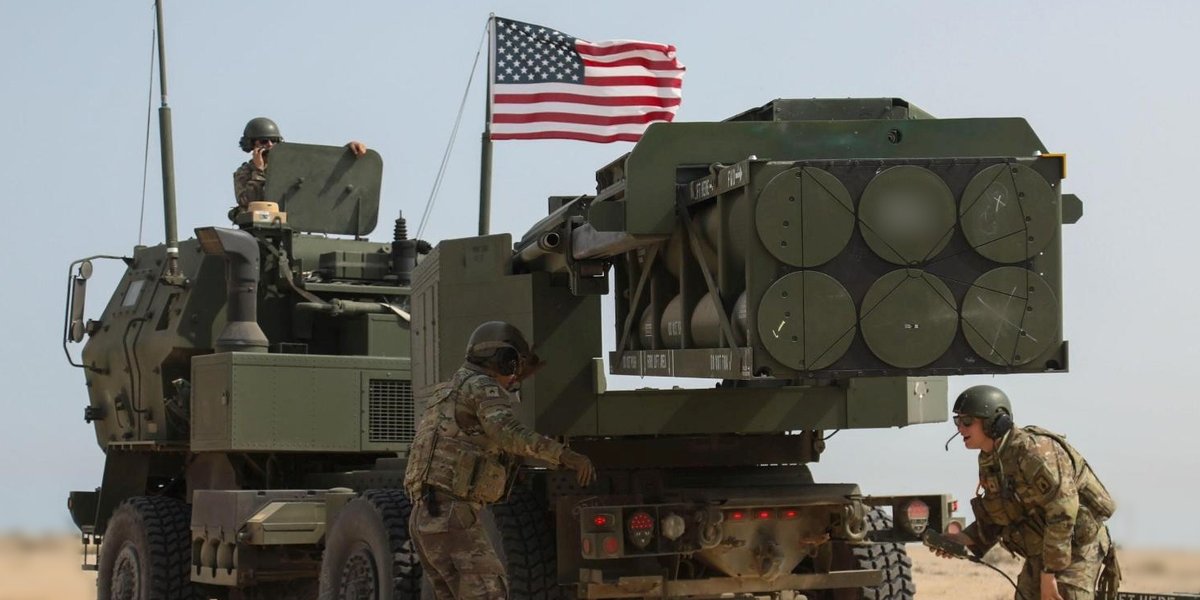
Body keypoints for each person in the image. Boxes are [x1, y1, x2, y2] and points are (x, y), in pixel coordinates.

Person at [403, 321, 596, 599]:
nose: (515, 378)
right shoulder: (483, 386)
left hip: (426, 516)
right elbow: (507, 432)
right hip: (452, 516)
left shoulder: (450, 389)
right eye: (515, 367)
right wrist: (564, 455)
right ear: (503, 362)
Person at [936, 385, 1120, 600]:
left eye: (967, 422)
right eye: (958, 421)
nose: (960, 429)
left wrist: (1049, 574)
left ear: (994, 423)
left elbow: (1062, 512)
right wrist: (961, 539)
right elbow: (999, 516)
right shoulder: (991, 459)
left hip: (1076, 548)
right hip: (1044, 552)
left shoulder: (1035, 453)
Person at [230, 117, 367, 219]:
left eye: (275, 141)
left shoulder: (289, 167)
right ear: (252, 144)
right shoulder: (245, 173)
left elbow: (320, 173)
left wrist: (347, 150)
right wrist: (259, 171)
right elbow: (248, 203)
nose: (270, 145)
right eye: (264, 141)